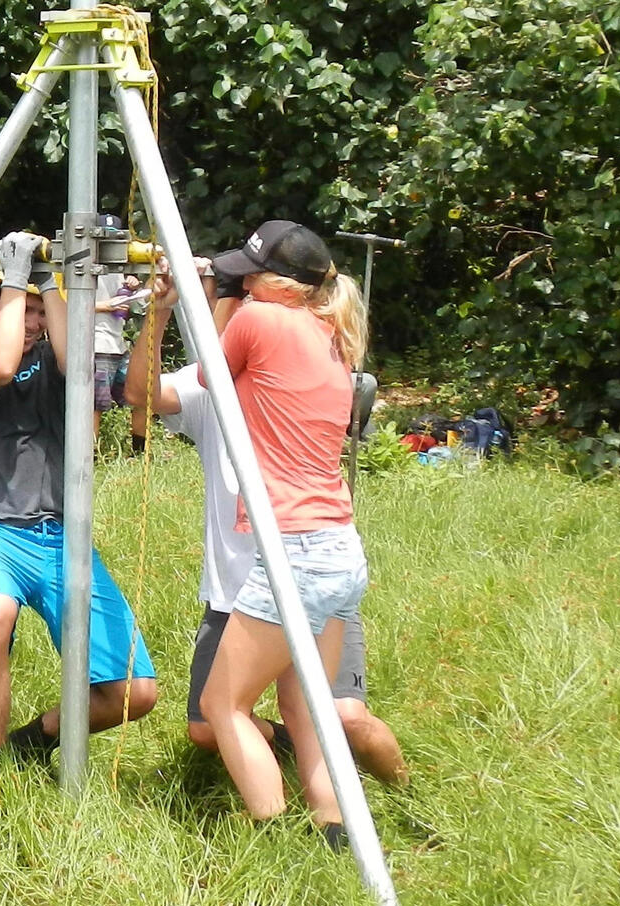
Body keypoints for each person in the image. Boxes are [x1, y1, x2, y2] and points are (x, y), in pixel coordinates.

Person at [121, 268, 407, 790]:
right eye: (222, 292)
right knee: (212, 725)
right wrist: (157, 314)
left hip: (305, 568)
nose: (230, 305)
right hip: (236, 591)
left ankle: (403, 794)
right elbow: (140, 395)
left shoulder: (294, 362)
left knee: (343, 717)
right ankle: (303, 768)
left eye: (233, 292)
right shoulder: (208, 381)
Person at [0, 232, 158, 834]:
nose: (29, 321)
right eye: (17, 308)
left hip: (62, 536)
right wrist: (15, 277)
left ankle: (30, 744)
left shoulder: (61, 364)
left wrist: (52, 280)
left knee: (134, 691)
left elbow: (76, 362)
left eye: (37, 311)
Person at [193, 220, 372, 849]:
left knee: (224, 707)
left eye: (249, 273)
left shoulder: (257, 321)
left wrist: (217, 295)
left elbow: (208, 377)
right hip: (339, 545)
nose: (242, 281)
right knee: (307, 711)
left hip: (291, 548)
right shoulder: (332, 335)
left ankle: (271, 842)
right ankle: (334, 837)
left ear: (280, 285)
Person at [93, 271, 151, 451]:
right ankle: (88, 459)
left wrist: (133, 286)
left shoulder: (116, 266)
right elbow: (67, 304)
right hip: (96, 345)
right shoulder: (80, 265)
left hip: (119, 345)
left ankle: (139, 452)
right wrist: (106, 305)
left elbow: (142, 305)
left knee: (142, 396)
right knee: (96, 406)